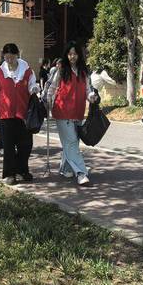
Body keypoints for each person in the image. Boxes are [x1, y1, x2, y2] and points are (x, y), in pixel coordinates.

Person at [0, 43, 40, 185]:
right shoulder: (0, 71)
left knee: (26, 145)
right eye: (7, 58)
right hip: (5, 113)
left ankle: (21, 170)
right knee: (8, 146)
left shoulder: (27, 70)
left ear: (17, 55)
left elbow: (32, 84)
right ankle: (9, 174)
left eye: (12, 57)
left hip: (23, 113)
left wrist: (34, 88)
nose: (9, 60)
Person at [47, 42, 97, 186]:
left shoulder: (83, 72)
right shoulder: (61, 70)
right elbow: (52, 88)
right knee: (72, 142)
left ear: (79, 55)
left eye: (75, 53)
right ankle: (81, 173)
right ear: (66, 55)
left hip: (78, 111)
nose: (72, 56)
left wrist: (91, 97)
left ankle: (66, 168)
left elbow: (88, 90)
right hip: (62, 111)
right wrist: (48, 102)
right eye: (70, 54)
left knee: (72, 142)